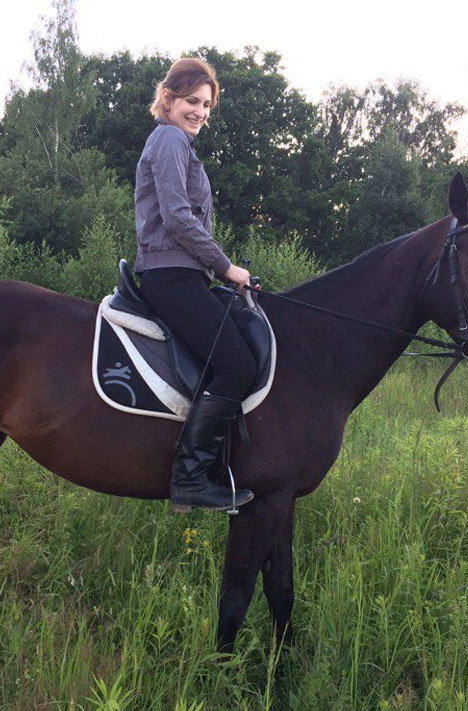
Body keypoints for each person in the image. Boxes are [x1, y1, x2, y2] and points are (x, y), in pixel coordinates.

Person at [134, 57, 257, 512]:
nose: (200, 112)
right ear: (167, 99)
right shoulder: (168, 138)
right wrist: (227, 268)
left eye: (206, 105)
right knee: (236, 365)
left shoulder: (180, 144)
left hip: (184, 273)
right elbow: (178, 217)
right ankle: (189, 475)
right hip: (170, 276)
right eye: (192, 101)